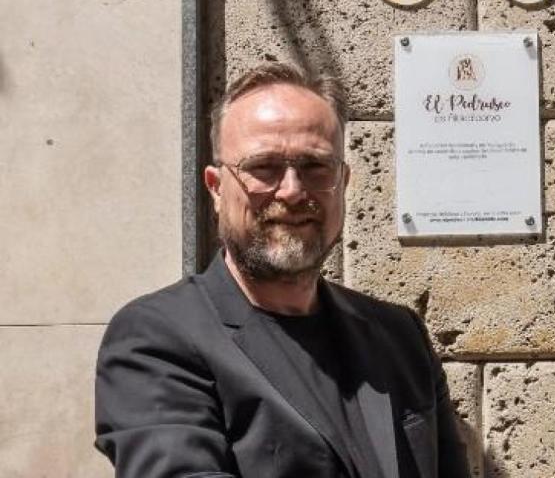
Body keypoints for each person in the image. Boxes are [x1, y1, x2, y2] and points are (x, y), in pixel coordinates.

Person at [95, 63, 470, 478]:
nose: (292, 190)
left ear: (342, 182)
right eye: (264, 167)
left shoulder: (399, 337)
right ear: (217, 189)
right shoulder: (156, 339)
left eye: (315, 167)